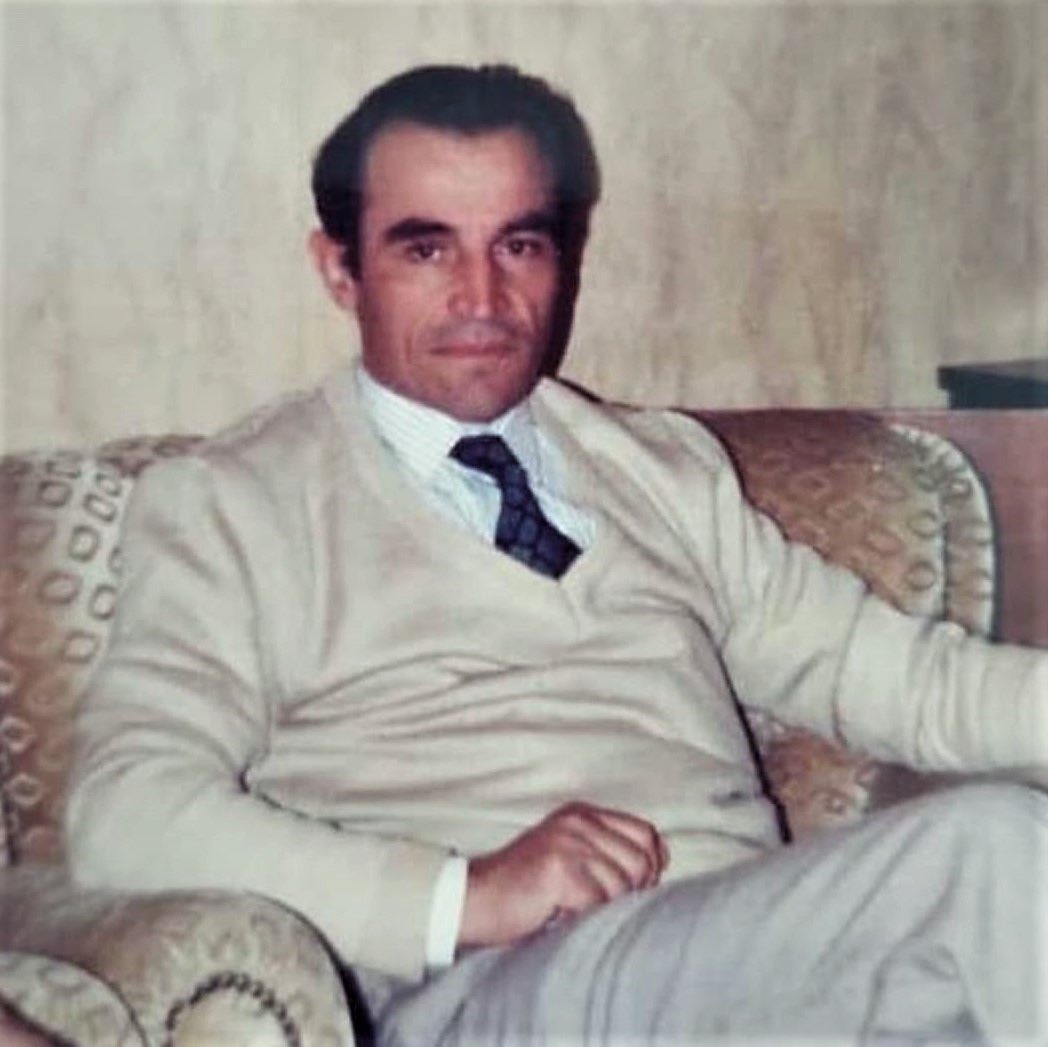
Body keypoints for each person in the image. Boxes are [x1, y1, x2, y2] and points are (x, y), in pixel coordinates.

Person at [66, 64, 1047, 1045]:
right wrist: (463, 896)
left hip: (746, 957)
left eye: (519, 245)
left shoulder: (662, 470)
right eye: (428, 249)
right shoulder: (233, 503)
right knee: (989, 848)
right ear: (340, 269)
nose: (482, 297)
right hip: (485, 991)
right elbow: (126, 813)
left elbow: (900, 680)